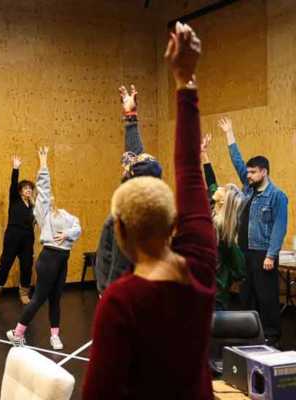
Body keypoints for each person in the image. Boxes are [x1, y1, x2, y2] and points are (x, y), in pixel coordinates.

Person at [83, 22, 217, 399]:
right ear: (175, 223)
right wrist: (185, 78)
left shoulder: (120, 301)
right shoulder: (200, 268)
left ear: (120, 231)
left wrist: (182, 80)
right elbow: (190, 170)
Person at [218, 117, 288, 344]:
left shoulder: (276, 196)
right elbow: (237, 161)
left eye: (252, 173)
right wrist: (230, 135)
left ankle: (271, 336)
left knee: (266, 297)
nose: (247, 176)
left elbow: (279, 226)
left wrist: (271, 254)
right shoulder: (249, 188)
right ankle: (249, 333)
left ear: (264, 172)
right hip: (244, 251)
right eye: (247, 173)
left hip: (262, 253)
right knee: (247, 295)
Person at [6, 147, 81, 350]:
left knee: (56, 298)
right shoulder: (43, 214)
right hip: (49, 258)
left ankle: (54, 335)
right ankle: (17, 332)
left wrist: (68, 234)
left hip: (62, 259)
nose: (50, 198)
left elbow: (78, 226)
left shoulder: (65, 214)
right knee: (39, 298)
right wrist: (44, 162)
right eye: (47, 198)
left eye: (51, 197)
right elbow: (44, 187)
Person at [95, 85, 162, 295]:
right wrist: (130, 117)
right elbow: (135, 154)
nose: (127, 164)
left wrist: (109, 295)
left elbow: (119, 264)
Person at [201, 134, 245, 310]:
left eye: (223, 189)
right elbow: (211, 181)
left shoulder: (221, 229)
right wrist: (204, 154)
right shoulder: (216, 210)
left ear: (224, 202)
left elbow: (240, 267)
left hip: (215, 290)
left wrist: (227, 276)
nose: (218, 188)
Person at [0, 156, 35, 305]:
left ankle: (24, 293)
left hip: (27, 238)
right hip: (13, 236)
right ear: (20, 191)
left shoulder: (33, 206)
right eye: (26, 188)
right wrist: (15, 168)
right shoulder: (15, 200)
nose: (28, 190)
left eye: (30, 188)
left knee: (27, 265)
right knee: (5, 264)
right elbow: (13, 184)